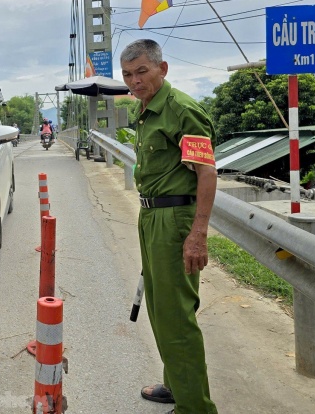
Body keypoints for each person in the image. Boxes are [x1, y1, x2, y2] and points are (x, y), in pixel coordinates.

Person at [120, 39, 218, 414]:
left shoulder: (180, 111)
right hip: (151, 215)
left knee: (176, 316)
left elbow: (206, 174)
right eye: (128, 75)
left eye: (142, 72)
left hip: (175, 219)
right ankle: (177, 384)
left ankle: (196, 408)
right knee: (160, 309)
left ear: (163, 69)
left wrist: (198, 234)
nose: (135, 81)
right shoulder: (146, 110)